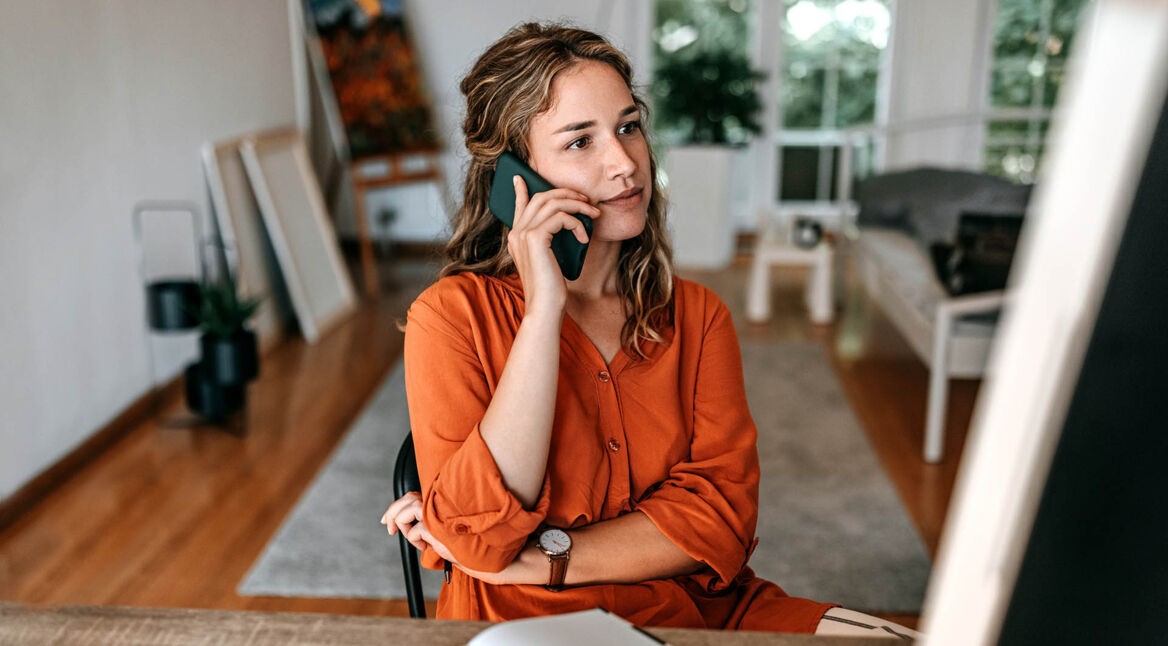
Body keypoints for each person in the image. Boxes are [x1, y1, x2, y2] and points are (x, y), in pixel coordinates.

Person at [381, 22, 918, 638]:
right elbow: (478, 538)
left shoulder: (698, 316)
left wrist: (541, 558)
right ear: (515, 177)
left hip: (702, 615)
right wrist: (543, 312)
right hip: (527, 622)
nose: (625, 163)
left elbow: (721, 518)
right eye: (580, 141)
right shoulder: (451, 317)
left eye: (628, 127)